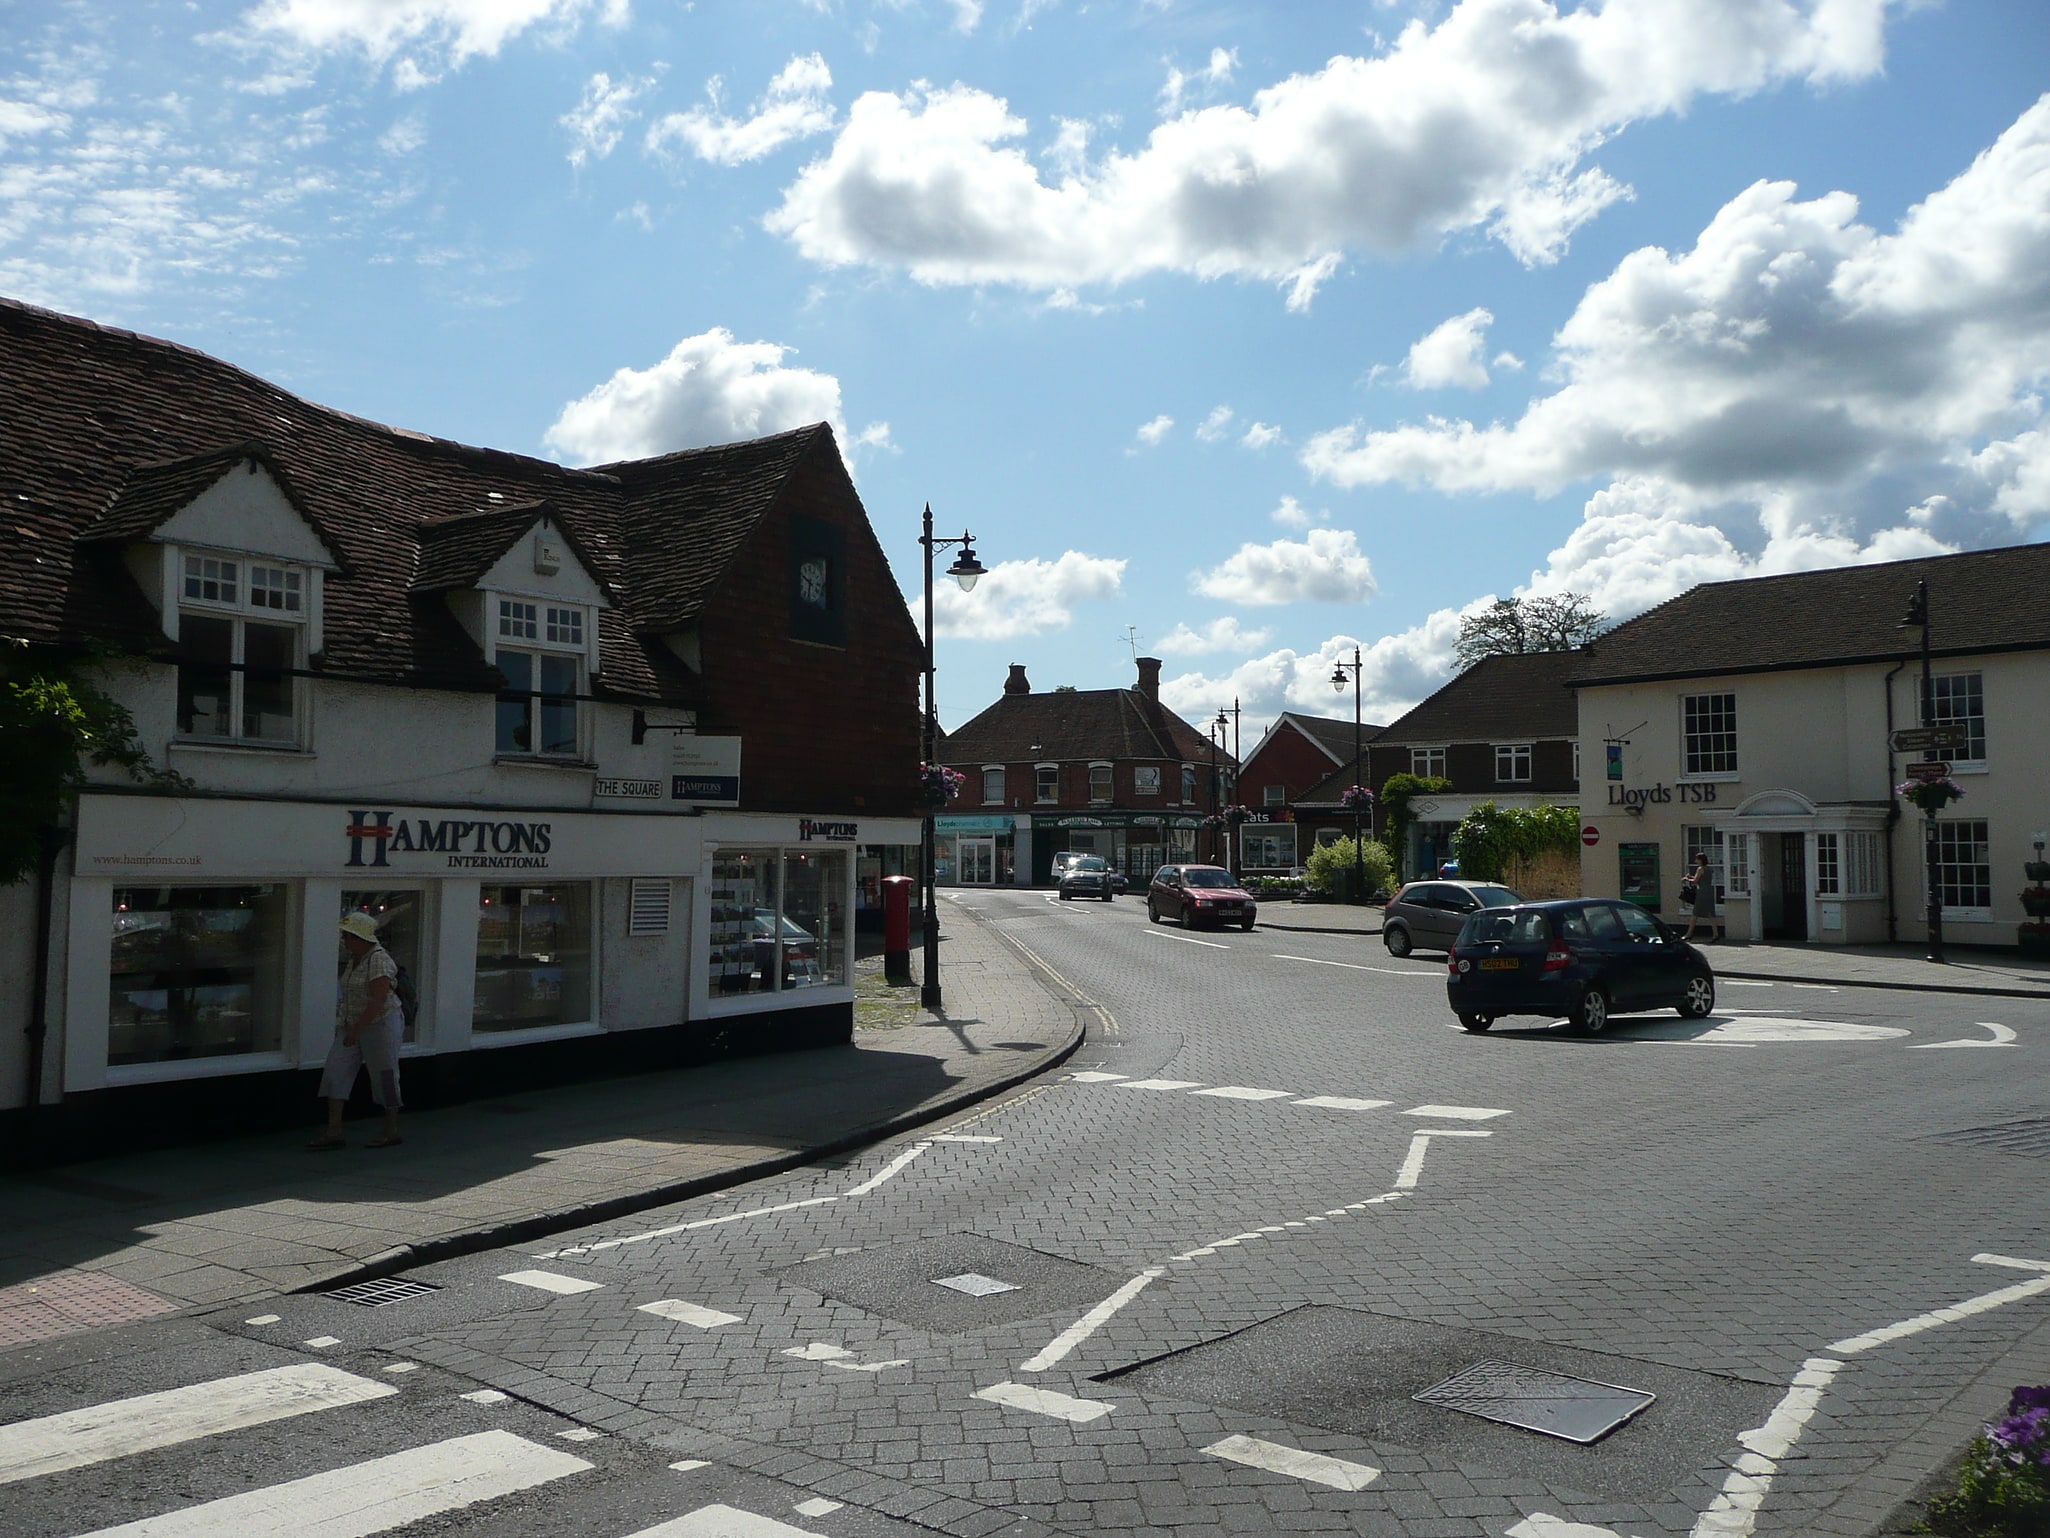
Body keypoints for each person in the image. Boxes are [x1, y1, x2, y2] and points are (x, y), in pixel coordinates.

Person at [311, 912, 404, 1149]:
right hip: (351, 1023)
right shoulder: (355, 959)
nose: (344, 940)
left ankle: (391, 1128)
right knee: (335, 1071)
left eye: (348, 936)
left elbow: (378, 999)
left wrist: (357, 1031)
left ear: (361, 937)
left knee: (385, 1075)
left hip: (380, 1024)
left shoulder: (378, 960)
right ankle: (334, 1131)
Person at [1681, 852, 1721, 944]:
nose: (1695, 861)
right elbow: (1700, 879)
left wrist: (1686, 879)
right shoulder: (1709, 869)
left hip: (1702, 892)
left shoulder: (1700, 868)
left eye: (1697, 859)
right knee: (1711, 914)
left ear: (1700, 860)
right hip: (1709, 891)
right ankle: (1716, 934)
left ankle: (1689, 934)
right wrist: (1691, 877)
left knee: (1695, 913)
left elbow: (1695, 881)